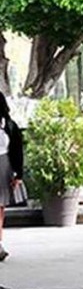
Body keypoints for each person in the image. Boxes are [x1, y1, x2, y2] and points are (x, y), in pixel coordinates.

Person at [0, 92, 24, 262]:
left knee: (0, 208)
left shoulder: (9, 126)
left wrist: (18, 174)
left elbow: (17, 151)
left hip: (4, 166)